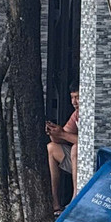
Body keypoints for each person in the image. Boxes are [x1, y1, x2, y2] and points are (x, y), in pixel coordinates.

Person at [46, 82, 80, 214]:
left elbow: (88, 142)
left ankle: (75, 198)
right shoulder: (76, 114)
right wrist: (54, 133)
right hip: (75, 161)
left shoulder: (89, 112)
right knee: (51, 148)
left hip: (90, 160)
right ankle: (55, 203)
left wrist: (63, 134)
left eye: (77, 97)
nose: (74, 102)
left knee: (75, 148)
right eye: (72, 98)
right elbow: (62, 137)